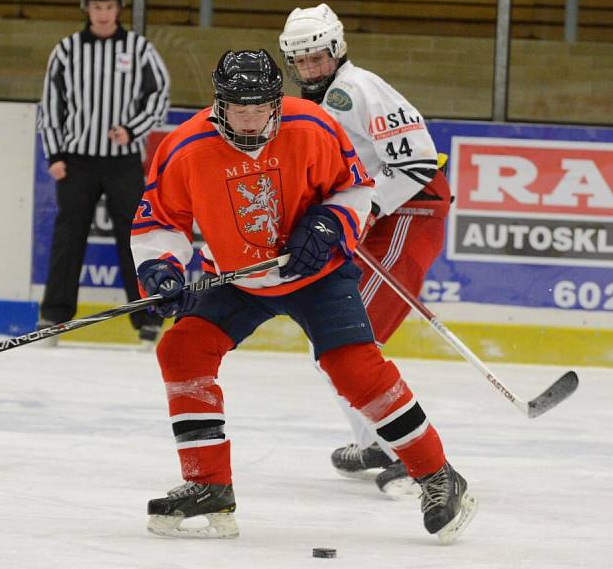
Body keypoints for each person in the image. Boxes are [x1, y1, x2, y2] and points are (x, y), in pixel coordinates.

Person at [130, 49, 476, 543]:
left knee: (354, 368)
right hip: (239, 277)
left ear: (277, 100)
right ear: (218, 103)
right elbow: (159, 220)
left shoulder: (313, 126)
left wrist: (329, 224)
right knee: (182, 350)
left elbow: (355, 190)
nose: (249, 118)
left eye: (259, 107)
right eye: (238, 107)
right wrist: (161, 270)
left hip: (318, 274)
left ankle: (438, 474)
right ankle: (208, 485)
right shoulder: (186, 147)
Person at [279, 4, 453, 495]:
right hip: (376, 220)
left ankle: (408, 453)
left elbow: (417, 162)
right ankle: (379, 441)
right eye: (302, 61)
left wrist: (364, 210)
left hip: (409, 214)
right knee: (333, 341)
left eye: (318, 57)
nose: (311, 68)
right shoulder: (313, 106)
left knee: (353, 341)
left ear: (336, 50)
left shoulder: (358, 89)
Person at [37, 0, 170, 348]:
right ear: (86, 8)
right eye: (96, 6)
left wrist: (132, 129)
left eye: (109, 6)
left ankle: (147, 318)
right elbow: (51, 104)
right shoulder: (66, 50)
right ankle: (54, 317)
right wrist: (56, 154)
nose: (103, 13)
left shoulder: (139, 49)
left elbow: (159, 95)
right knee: (68, 239)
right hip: (77, 161)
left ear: (119, 8)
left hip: (123, 161)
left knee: (135, 239)